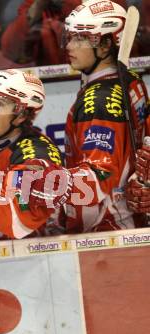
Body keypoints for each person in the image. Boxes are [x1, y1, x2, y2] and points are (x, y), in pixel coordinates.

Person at [62, 0, 149, 233]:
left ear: (104, 46)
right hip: (129, 218)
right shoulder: (131, 80)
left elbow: (96, 180)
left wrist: (37, 187)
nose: (70, 46)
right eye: (70, 37)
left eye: (79, 39)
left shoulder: (98, 102)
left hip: (105, 225)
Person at [0, 69, 69, 243]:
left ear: (22, 115)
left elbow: (16, 223)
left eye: (0, 104)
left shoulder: (37, 154)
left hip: (31, 253)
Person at [0, 0, 81, 66]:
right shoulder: (29, 6)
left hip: (80, 74)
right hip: (44, 77)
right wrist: (37, 8)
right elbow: (12, 52)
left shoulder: (86, 7)